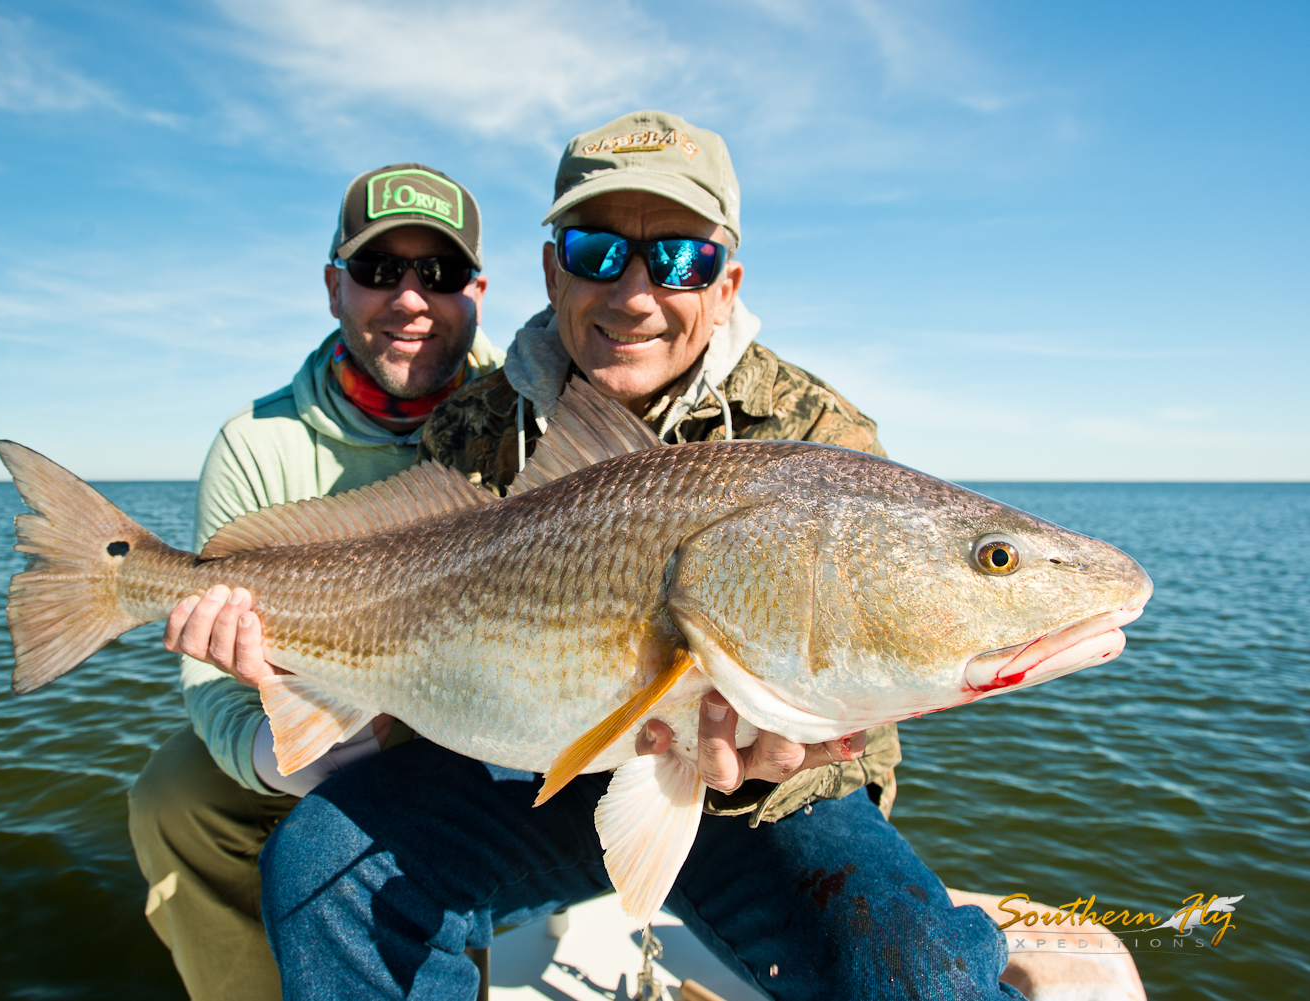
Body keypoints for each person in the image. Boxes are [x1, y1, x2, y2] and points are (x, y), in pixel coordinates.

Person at [179, 113, 1024, 1000]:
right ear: (552, 268)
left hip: (753, 806)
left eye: (681, 260)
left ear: (727, 282)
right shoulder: (471, 423)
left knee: (918, 969)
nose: (634, 293)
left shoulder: (816, 437)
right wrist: (301, 679)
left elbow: (864, 716)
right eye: (596, 249)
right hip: (521, 776)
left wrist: (764, 762)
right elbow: (408, 618)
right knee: (322, 865)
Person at [127, 162, 505, 1001]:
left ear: (478, 290)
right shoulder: (255, 443)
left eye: (439, 273)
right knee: (172, 796)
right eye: (378, 270)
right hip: (331, 709)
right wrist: (290, 755)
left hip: (490, 718)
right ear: (334, 286)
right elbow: (210, 692)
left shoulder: (525, 411)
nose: (410, 298)